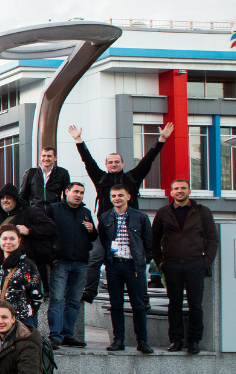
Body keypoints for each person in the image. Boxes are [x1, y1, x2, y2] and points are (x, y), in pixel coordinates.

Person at [69, 122, 173, 302]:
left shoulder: (132, 177)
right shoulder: (100, 179)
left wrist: (161, 139)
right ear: (106, 165)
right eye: (110, 162)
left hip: (131, 229)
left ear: (123, 163)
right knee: (94, 260)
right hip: (107, 230)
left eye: (117, 162)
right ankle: (89, 292)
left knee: (137, 264)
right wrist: (78, 140)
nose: (114, 164)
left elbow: (148, 159)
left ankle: (143, 298)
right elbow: (87, 160)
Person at [152, 179, 219, 354]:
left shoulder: (202, 212)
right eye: (176, 188)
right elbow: (153, 240)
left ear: (189, 191)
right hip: (171, 265)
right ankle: (176, 340)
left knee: (195, 304)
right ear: (171, 192)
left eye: (183, 188)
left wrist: (206, 262)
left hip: (195, 264)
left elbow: (212, 239)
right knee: (174, 304)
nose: (179, 191)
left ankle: (194, 341)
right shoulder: (162, 212)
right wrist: (160, 263)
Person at [98, 184, 153, 353]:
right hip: (114, 265)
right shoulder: (105, 217)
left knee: (138, 305)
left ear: (128, 197)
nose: (117, 198)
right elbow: (103, 240)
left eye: (120, 195)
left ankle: (142, 341)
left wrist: (142, 262)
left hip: (133, 266)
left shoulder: (140, 217)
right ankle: (118, 340)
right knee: (116, 305)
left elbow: (148, 242)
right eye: (114, 195)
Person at [48, 182, 97, 347]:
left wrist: (91, 230)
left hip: (81, 263)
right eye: (76, 191)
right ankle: (55, 336)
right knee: (56, 299)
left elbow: (93, 238)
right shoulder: (53, 209)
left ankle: (68, 335)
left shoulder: (86, 212)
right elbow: (45, 234)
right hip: (60, 262)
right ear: (66, 191)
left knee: (74, 301)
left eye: (82, 193)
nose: (79, 195)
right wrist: (51, 255)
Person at [0, 184, 57, 276]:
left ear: (15, 199)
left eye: (8, 197)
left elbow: (50, 227)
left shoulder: (30, 212)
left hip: (29, 265)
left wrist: (29, 230)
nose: (5, 200)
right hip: (1, 264)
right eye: (2, 198)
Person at [0, 224, 45, 328]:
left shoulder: (27, 265)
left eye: (12, 238)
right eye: (5, 239)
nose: (8, 242)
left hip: (21, 320)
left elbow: (37, 295)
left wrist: (27, 313)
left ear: (19, 241)